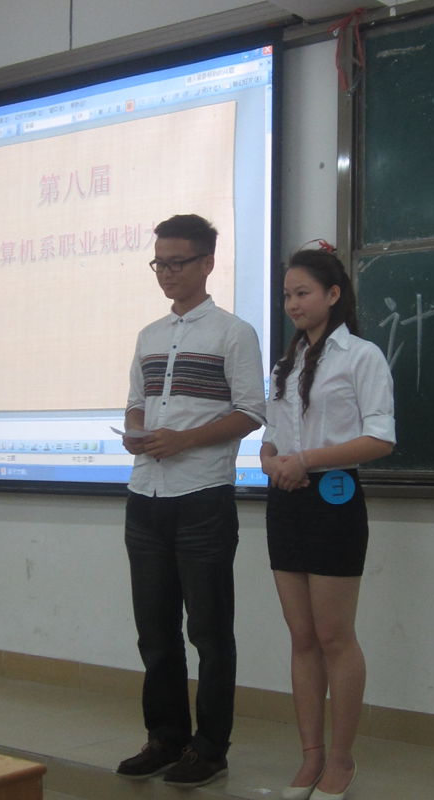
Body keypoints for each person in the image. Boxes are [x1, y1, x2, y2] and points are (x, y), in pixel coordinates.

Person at [116, 214, 266, 788]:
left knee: (209, 631)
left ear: (207, 263)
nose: (166, 273)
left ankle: (210, 748)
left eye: (177, 262)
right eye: (159, 263)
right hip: (144, 495)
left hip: (202, 496)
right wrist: (136, 430)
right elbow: (136, 399)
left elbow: (251, 411)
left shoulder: (234, 332)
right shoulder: (149, 335)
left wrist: (184, 439)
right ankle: (165, 738)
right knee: (154, 631)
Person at [260, 245, 395, 800]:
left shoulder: (361, 356)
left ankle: (341, 759)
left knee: (335, 636)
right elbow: (272, 437)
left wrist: (307, 461)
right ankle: (310, 756)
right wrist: (271, 462)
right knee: (301, 636)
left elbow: (380, 438)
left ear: (333, 295)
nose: (292, 304)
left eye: (303, 293)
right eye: (287, 295)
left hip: (335, 500)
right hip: (286, 501)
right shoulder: (285, 365)